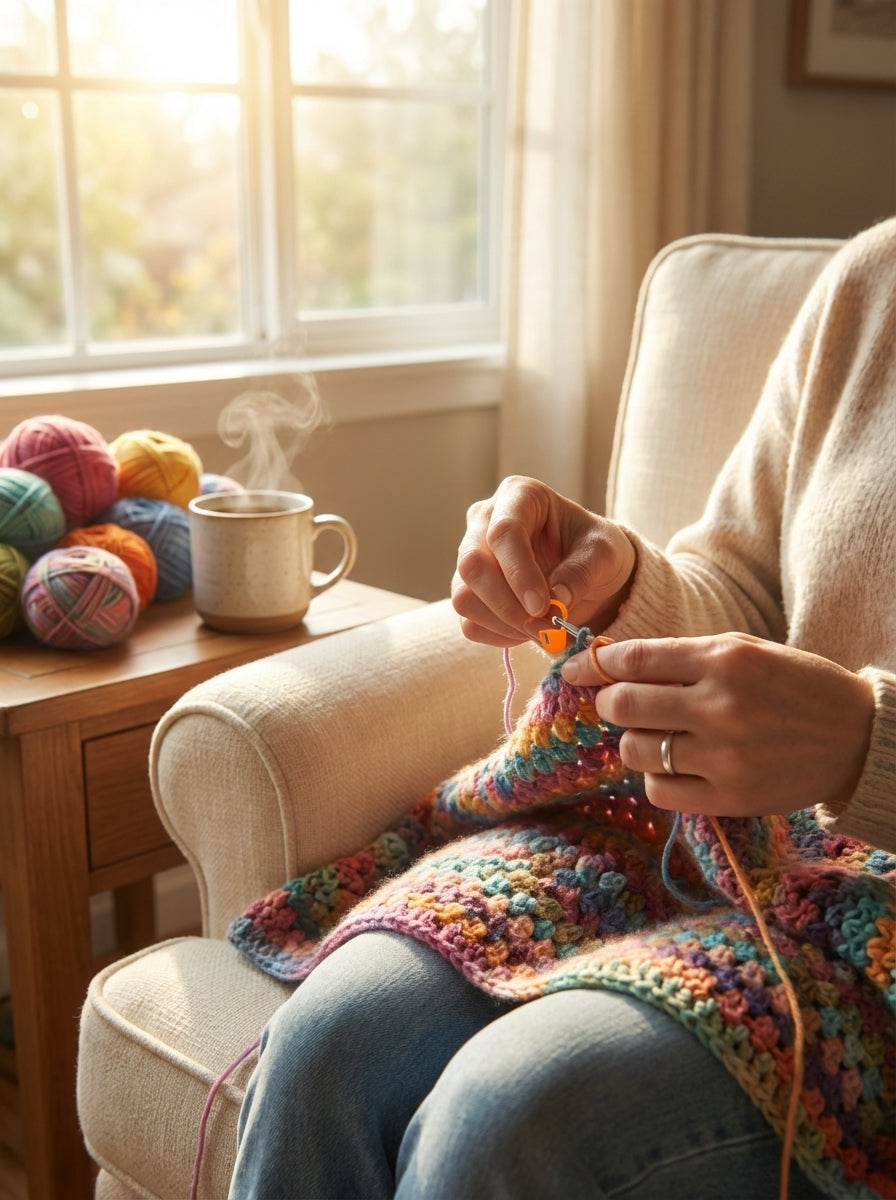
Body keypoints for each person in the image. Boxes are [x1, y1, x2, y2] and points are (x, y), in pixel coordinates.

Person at [228, 218, 895, 1200]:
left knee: (507, 1115)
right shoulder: (872, 283)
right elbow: (746, 583)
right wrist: (619, 581)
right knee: (331, 1046)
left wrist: (866, 746)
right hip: (754, 849)